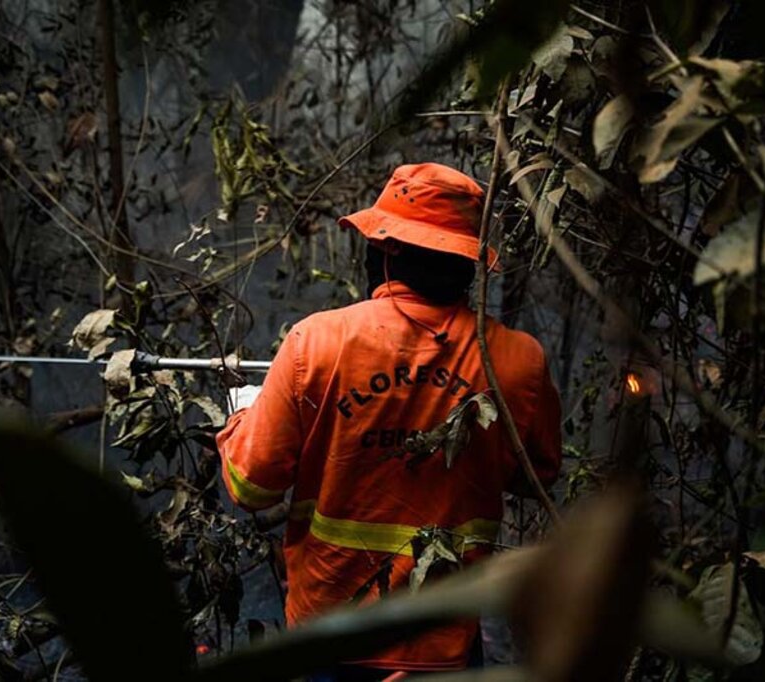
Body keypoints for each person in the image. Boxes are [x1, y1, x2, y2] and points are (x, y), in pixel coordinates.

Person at [216, 162, 562, 679]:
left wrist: (244, 412)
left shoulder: (315, 343)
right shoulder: (517, 361)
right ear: (466, 263)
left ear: (385, 250)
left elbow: (251, 485)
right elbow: (538, 475)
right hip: (443, 645)